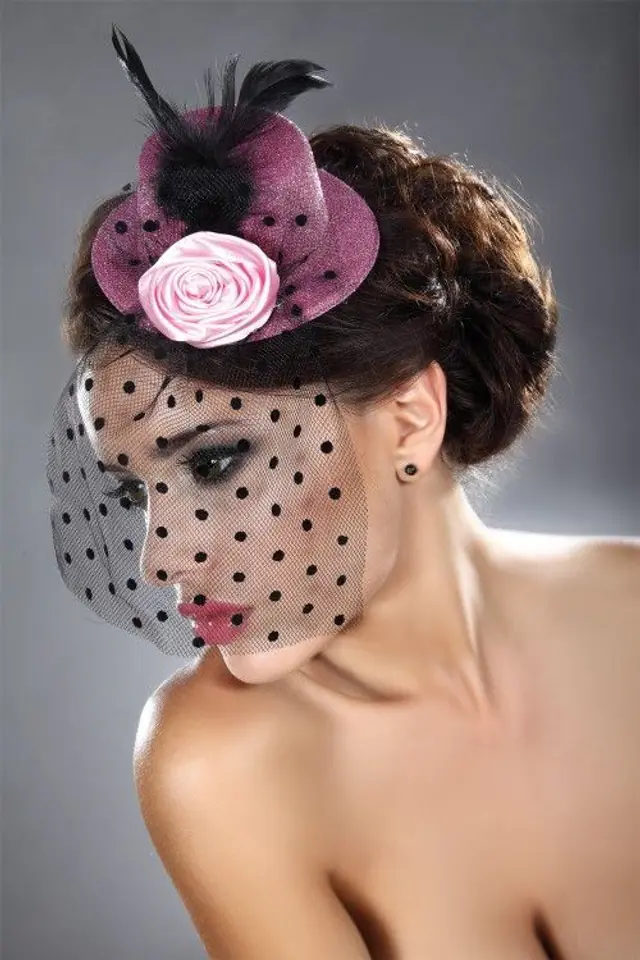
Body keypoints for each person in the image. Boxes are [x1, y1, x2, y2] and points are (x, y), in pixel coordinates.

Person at [48, 26, 640, 960]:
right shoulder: (223, 762)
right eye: (137, 492)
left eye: (215, 463)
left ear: (410, 418)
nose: (162, 557)